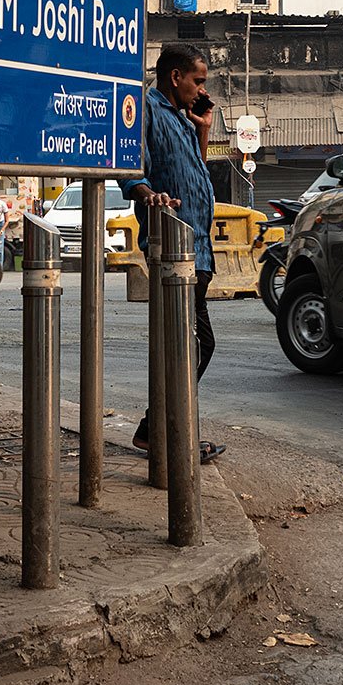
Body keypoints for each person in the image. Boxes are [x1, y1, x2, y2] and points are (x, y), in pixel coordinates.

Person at [119, 44, 226, 463]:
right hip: (174, 250)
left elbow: (195, 171)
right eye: (198, 81)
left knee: (188, 346)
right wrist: (149, 195)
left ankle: (158, 430)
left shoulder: (182, 118)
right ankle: (164, 434)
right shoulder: (148, 109)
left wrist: (203, 129)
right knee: (192, 346)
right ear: (176, 76)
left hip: (197, 250)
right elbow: (133, 171)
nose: (201, 90)